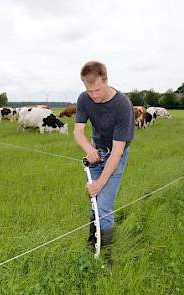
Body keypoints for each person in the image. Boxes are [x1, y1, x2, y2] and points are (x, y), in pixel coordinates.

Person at [73, 61, 134, 266]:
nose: (94, 95)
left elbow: (117, 152)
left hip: (116, 155)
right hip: (96, 153)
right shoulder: (84, 99)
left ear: (106, 80)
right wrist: (89, 150)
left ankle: (107, 257)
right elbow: (78, 132)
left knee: (104, 206)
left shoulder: (122, 105)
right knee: (94, 203)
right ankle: (93, 245)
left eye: (98, 89)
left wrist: (100, 183)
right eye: (89, 91)